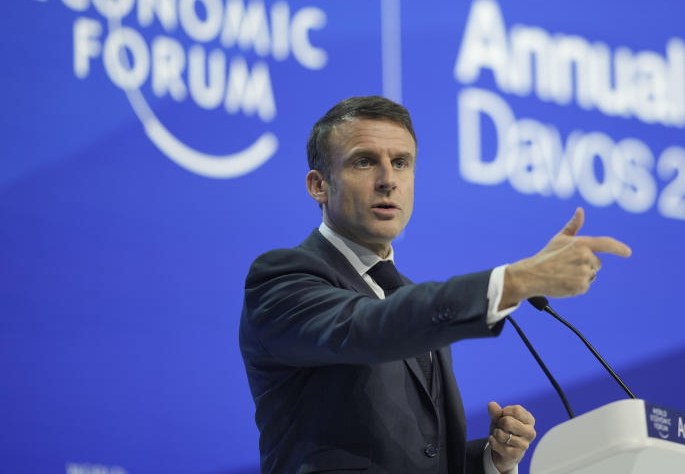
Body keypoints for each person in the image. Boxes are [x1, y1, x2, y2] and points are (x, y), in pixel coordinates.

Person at [239, 96, 631, 473]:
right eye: (364, 161)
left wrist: (491, 461)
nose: (388, 180)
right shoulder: (283, 278)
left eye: (401, 162)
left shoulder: (409, 297)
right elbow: (370, 328)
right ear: (318, 186)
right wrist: (517, 280)